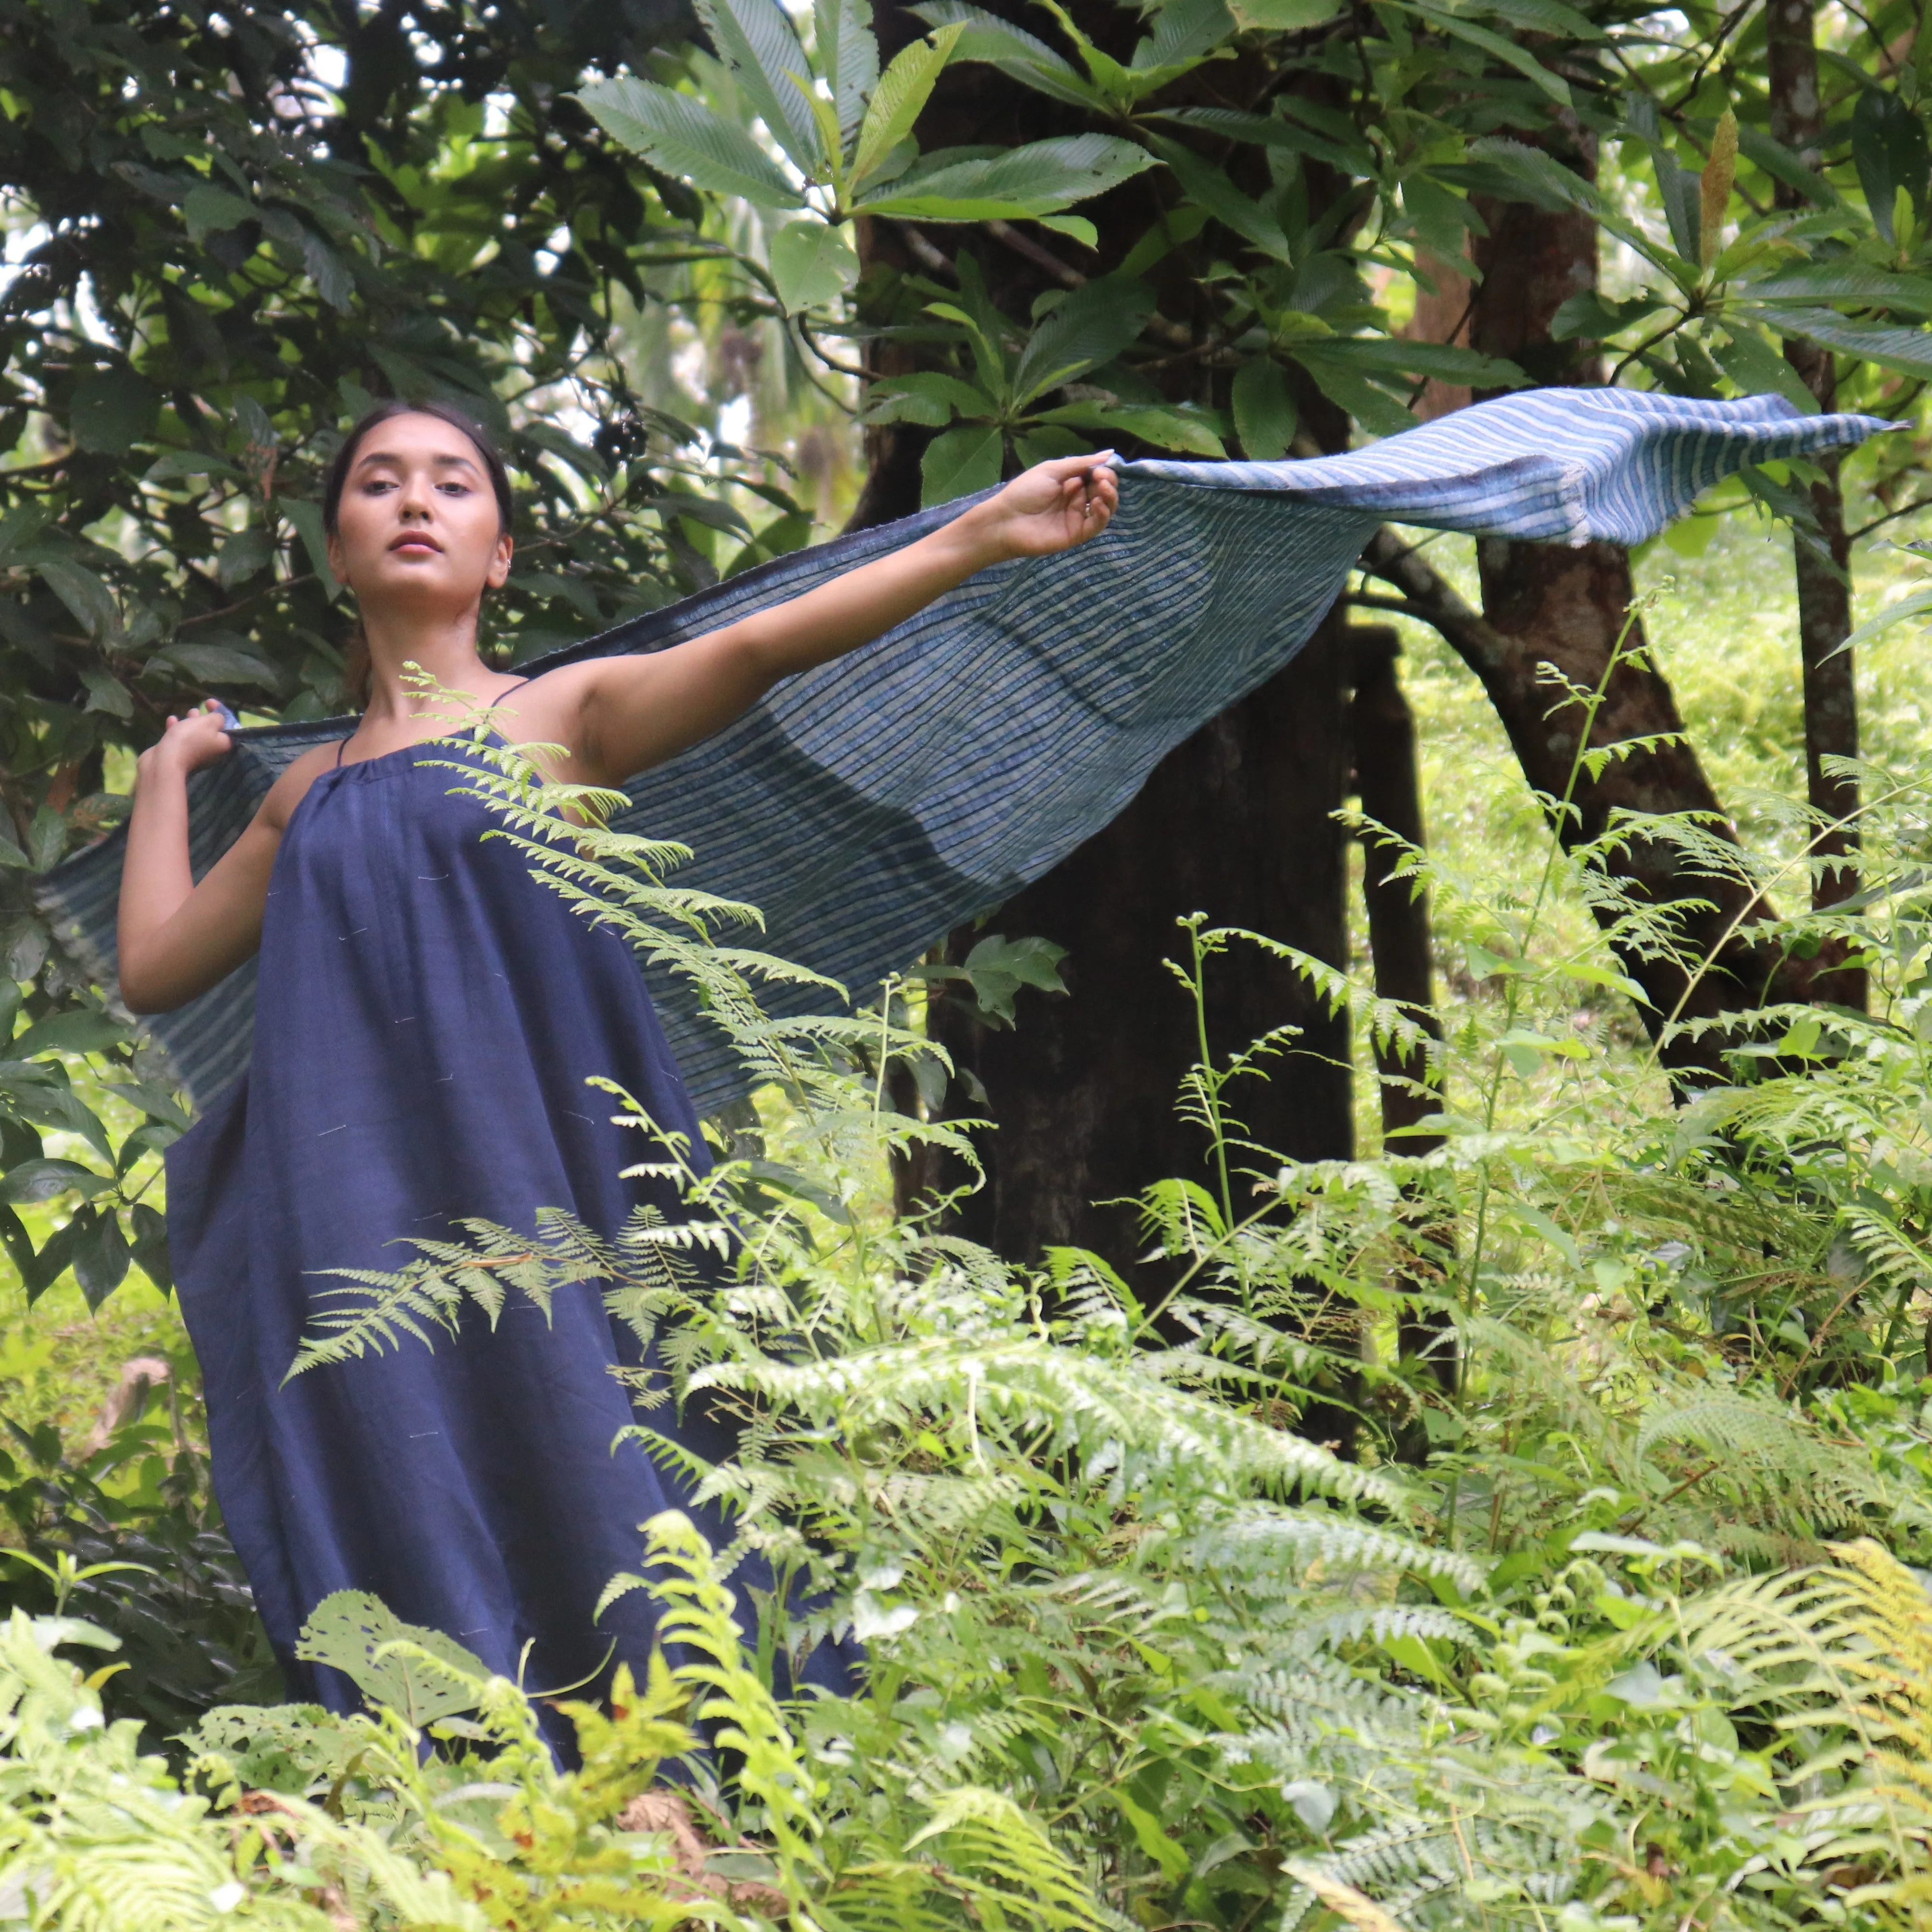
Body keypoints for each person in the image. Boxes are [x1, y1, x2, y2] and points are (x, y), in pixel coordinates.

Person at [118, 398, 1118, 1750]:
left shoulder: (564, 716)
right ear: (337, 551)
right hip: (347, 1226)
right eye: (380, 484)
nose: (417, 501)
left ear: (501, 556)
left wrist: (980, 533)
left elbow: (761, 643)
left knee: (606, 1458)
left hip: (551, 1195)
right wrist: (170, 772)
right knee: (401, 1490)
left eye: (453, 485)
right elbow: (157, 968)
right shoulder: (304, 800)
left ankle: (692, 1787)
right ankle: (466, 1800)